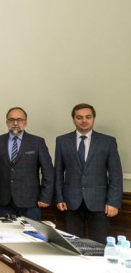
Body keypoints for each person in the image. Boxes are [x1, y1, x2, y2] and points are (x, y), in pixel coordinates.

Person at [54, 103, 122, 244]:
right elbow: (58, 172)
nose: (84, 120)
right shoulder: (62, 141)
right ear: (73, 119)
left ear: (93, 119)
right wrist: (59, 197)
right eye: (79, 117)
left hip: (100, 203)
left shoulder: (107, 141)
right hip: (71, 202)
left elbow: (115, 174)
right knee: (72, 245)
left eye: (88, 117)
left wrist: (113, 202)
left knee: (99, 245)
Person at [0, 107, 53, 221]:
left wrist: (46, 197)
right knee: (6, 236)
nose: (15, 123)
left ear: (25, 122)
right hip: (5, 201)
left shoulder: (37, 142)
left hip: (30, 201)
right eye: (11, 120)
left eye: (19, 120)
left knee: (31, 236)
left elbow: (48, 172)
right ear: (7, 122)